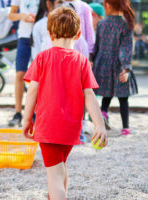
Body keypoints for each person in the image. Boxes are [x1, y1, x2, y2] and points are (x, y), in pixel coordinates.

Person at [23, 7, 108, 199]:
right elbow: (89, 95)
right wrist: (99, 124)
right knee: (60, 168)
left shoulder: (42, 58)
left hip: (48, 127)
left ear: (50, 34)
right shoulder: (82, 61)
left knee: (54, 177)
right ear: (78, 34)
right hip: (70, 128)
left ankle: (56, 195)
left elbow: (33, 90)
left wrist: (27, 119)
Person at [92, 0, 138, 135]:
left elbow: (97, 46)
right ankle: (125, 128)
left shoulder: (101, 24)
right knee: (123, 97)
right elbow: (125, 49)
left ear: (106, 6)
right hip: (118, 65)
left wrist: (92, 60)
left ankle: (103, 113)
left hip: (102, 64)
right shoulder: (126, 25)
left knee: (107, 92)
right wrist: (126, 68)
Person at [8, 0, 40, 127]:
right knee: (20, 74)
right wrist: (23, 16)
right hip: (24, 37)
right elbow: (11, 15)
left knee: (38, 76)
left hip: (39, 36)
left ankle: (35, 112)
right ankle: (17, 112)